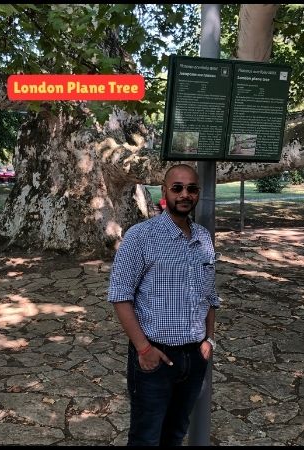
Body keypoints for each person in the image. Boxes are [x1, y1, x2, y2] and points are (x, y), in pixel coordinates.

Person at [107, 164, 220, 446]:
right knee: (146, 438)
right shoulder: (140, 236)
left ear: (198, 193)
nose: (185, 194)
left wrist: (209, 341)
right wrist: (144, 349)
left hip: (194, 358)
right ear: (164, 191)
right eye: (178, 188)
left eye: (192, 189)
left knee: (175, 435)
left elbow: (209, 295)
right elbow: (120, 296)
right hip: (154, 358)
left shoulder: (203, 238)